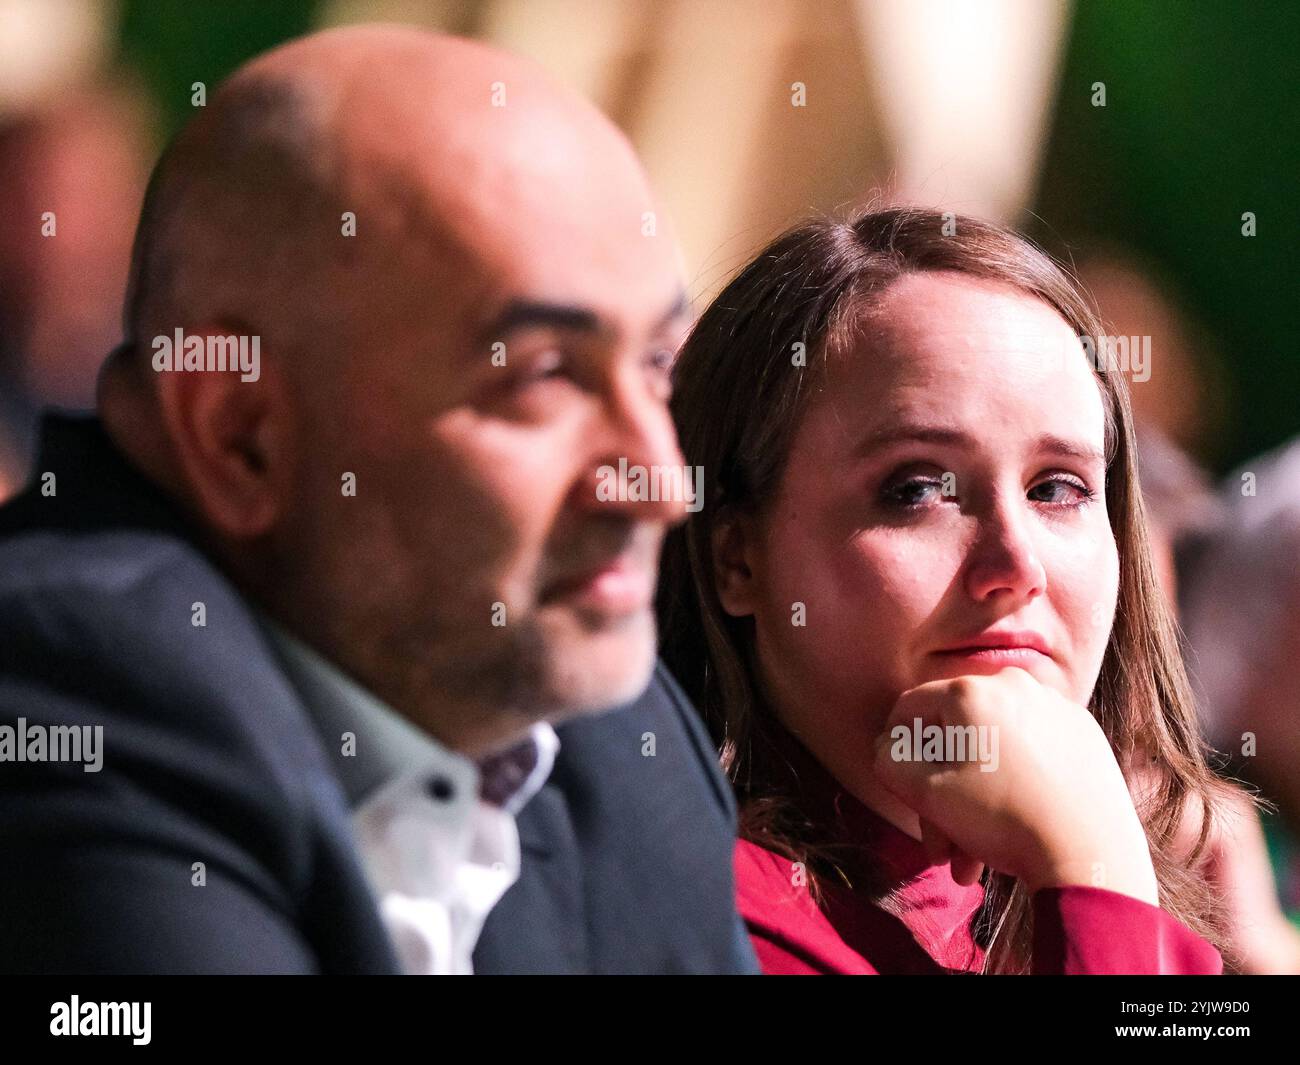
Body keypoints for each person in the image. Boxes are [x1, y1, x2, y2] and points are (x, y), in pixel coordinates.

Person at [0, 25, 756, 975]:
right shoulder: (72, 682)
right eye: (545, 377)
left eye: (657, 366)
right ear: (243, 435)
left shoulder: (614, 730)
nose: (660, 480)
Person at [658, 207, 1242, 973]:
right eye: (917, 488)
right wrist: (1099, 880)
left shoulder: (1104, 886)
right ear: (738, 557)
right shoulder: (693, 917)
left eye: (1058, 488)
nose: (1015, 560)